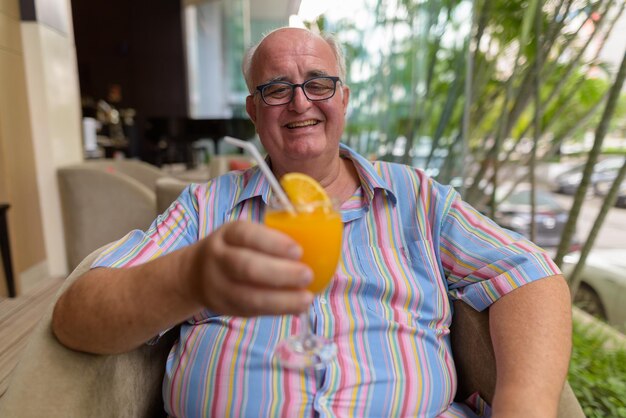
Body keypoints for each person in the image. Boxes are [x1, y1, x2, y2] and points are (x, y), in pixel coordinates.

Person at [52, 27, 572, 417]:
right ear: (254, 112)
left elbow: (528, 271)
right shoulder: (204, 208)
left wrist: (524, 404)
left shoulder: (417, 198)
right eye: (276, 89)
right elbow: (78, 314)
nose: (300, 102)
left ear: (343, 97)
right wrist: (189, 277)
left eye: (318, 83)